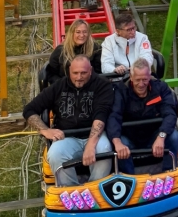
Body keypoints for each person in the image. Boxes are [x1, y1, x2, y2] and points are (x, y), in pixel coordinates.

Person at [23, 56, 115, 189]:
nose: (79, 77)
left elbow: (101, 115)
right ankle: (71, 192)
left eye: (83, 73)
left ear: (91, 71)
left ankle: (95, 190)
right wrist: (45, 130)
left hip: (95, 135)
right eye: (75, 73)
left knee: (104, 149)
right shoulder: (58, 87)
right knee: (55, 153)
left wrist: (90, 144)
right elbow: (29, 110)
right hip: (67, 136)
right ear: (69, 71)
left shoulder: (102, 85)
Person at [107, 58, 178, 174]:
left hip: (154, 135)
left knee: (174, 137)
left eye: (145, 80)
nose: (141, 84)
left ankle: (168, 173)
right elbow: (114, 116)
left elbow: (170, 113)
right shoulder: (121, 91)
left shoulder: (161, 88)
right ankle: (130, 179)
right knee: (120, 144)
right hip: (129, 137)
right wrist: (117, 142)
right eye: (138, 80)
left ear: (150, 76)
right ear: (131, 77)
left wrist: (161, 136)